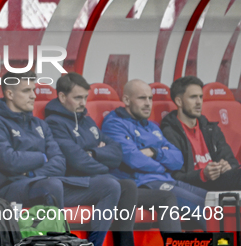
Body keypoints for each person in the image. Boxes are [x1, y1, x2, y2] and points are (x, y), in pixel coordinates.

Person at [0, 71, 152, 246]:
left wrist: (33, 170)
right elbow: (9, 161)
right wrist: (41, 157)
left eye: (33, 90)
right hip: (11, 188)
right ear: (9, 94)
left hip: (46, 182)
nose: (34, 96)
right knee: (52, 184)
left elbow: (59, 162)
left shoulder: (39, 124)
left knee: (110, 184)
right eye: (27, 91)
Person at [45, 73, 181, 236]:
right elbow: (78, 161)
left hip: (105, 180)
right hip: (79, 185)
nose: (83, 103)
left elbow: (116, 154)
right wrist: (102, 157)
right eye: (77, 98)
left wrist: (93, 153)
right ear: (61, 96)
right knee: (125, 187)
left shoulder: (86, 121)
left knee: (172, 197)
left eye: (85, 97)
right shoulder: (53, 122)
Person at [101, 79, 207, 230]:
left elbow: (178, 159)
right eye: (142, 98)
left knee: (214, 200)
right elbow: (134, 160)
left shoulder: (152, 127)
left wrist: (154, 152)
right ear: (126, 100)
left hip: (166, 180)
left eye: (150, 98)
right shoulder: (114, 124)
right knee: (200, 205)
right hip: (143, 184)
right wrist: (163, 167)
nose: (148, 103)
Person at [161, 76, 241, 190]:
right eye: (193, 97)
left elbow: (232, 161)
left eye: (200, 97)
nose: (199, 102)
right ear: (179, 101)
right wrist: (203, 174)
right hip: (194, 185)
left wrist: (228, 166)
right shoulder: (169, 132)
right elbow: (175, 176)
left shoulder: (211, 128)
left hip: (219, 181)